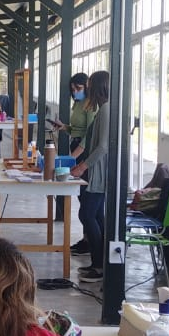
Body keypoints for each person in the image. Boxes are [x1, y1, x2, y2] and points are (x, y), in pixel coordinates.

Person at [70, 71, 110, 282]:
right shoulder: (103, 109)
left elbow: (103, 146)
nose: (87, 90)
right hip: (96, 170)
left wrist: (83, 166)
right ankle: (102, 263)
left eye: (89, 86)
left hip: (99, 172)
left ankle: (99, 265)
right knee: (96, 216)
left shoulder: (105, 110)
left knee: (87, 214)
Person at [51, 73, 97, 232]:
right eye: (73, 89)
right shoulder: (77, 104)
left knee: (86, 198)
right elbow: (77, 129)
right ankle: (87, 237)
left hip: (84, 151)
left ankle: (89, 238)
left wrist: (73, 157)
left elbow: (89, 135)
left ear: (87, 86)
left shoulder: (91, 105)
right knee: (80, 194)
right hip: (75, 145)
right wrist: (64, 127)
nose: (75, 91)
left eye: (78, 88)